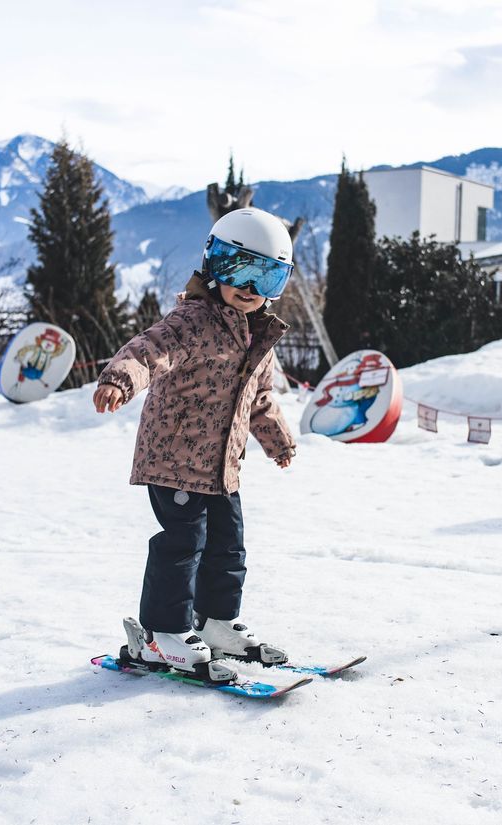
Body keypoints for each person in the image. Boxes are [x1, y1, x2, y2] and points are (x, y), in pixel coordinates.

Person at [93, 207, 298, 683]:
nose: (249, 287)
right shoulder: (191, 321)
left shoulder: (256, 336)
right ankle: (164, 632)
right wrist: (120, 381)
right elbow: (147, 350)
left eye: (265, 276)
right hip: (173, 459)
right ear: (213, 265)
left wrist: (278, 441)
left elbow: (259, 399)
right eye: (238, 269)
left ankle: (217, 623)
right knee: (183, 544)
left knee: (228, 545)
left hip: (221, 466)